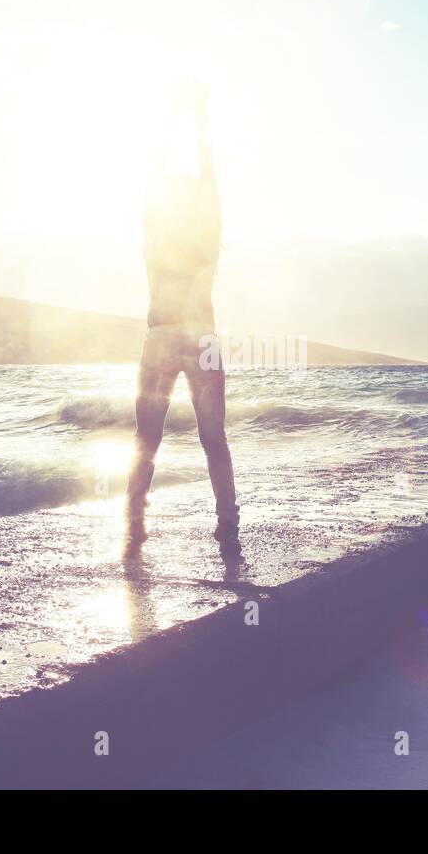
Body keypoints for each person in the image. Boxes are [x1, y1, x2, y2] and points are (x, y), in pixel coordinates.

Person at [124, 81, 239, 550]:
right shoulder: (206, 234)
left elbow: (155, 175)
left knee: (146, 438)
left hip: (162, 337)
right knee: (214, 438)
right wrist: (201, 116)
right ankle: (228, 522)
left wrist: (173, 117)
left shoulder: (155, 236)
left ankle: (135, 522)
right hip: (201, 338)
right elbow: (208, 176)